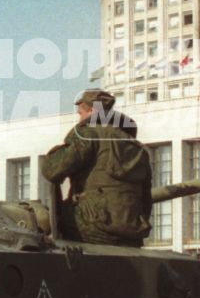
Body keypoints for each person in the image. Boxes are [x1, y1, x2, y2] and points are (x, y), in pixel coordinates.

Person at [40, 89, 152, 247]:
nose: (79, 118)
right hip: (132, 232)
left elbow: (51, 170)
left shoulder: (88, 135)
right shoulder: (137, 146)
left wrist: (56, 152)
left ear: (92, 111)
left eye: (80, 113)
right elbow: (146, 198)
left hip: (91, 227)